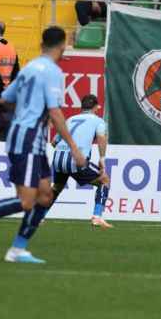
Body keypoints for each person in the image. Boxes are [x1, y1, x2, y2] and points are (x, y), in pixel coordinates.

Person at [0, 26, 87, 264]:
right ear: (62, 45)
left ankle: (18, 249)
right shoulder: (53, 72)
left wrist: (26, 108)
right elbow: (55, 113)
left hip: (23, 136)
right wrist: (75, 148)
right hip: (29, 138)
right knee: (27, 201)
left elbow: (5, 99)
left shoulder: (30, 68)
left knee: (45, 196)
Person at [45, 94, 113, 229]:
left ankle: (38, 216)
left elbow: (54, 142)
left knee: (57, 186)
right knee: (104, 181)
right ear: (95, 108)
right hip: (76, 159)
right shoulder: (98, 121)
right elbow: (101, 138)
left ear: (82, 108)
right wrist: (102, 158)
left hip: (58, 158)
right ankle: (97, 217)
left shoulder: (70, 119)